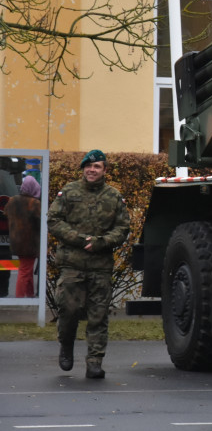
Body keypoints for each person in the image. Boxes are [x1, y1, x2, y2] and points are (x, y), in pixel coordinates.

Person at [49, 150, 130, 379]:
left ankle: (95, 361)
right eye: (88, 166)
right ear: (83, 168)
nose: (91, 170)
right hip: (72, 263)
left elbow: (123, 229)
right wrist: (77, 239)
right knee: (69, 310)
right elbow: (53, 219)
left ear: (104, 170)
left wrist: (100, 242)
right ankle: (66, 346)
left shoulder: (114, 197)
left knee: (98, 315)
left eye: (97, 167)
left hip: (100, 265)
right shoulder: (69, 191)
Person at [6, 175, 42, 298]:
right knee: (25, 270)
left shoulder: (13, 200)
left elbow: (6, 214)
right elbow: (41, 222)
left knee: (27, 269)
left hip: (16, 240)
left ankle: (30, 295)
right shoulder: (35, 203)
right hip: (29, 243)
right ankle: (20, 299)